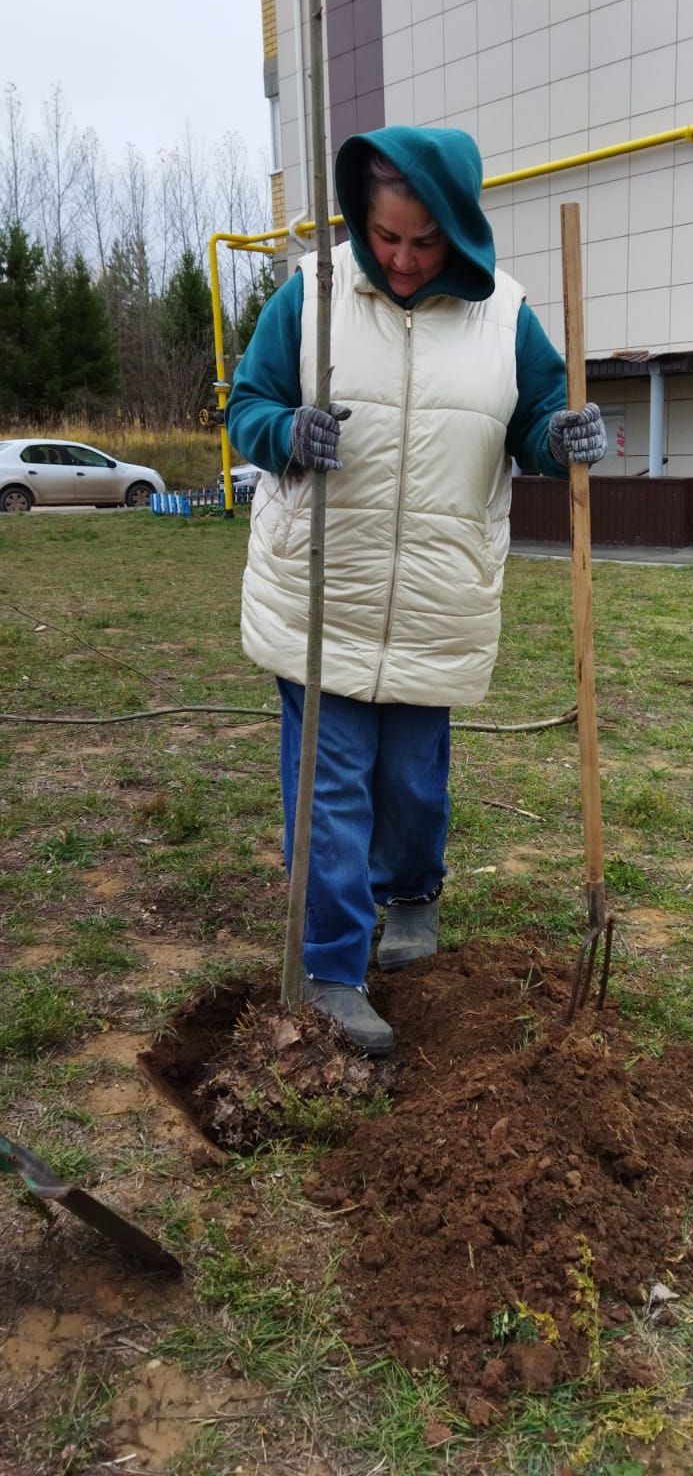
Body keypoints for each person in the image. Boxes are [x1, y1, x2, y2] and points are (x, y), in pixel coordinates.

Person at [226, 125, 606, 1055]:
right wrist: (290, 433)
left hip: (438, 597)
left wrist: (563, 437)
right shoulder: (312, 295)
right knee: (333, 790)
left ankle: (412, 898)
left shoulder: (504, 315)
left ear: (459, 231)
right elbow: (248, 407)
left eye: (421, 241)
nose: (398, 257)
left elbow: (537, 418)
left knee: (410, 784)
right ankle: (328, 967)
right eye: (384, 236)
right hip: (323, 598)